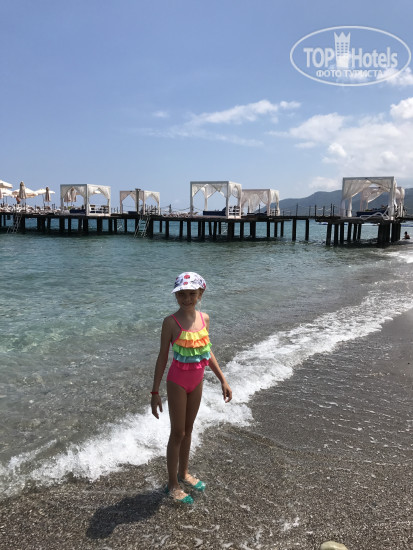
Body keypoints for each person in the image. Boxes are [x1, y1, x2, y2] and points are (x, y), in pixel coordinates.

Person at [151, 272, 232, 503]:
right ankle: (172, 484)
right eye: (182, 294)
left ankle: (184, 473)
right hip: (177, 382)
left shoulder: (205, 318)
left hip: (197, 381)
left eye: (191, 294)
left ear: (200, 294)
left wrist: (222, 379)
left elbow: (207, 351)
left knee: (189, 429)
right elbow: (162, 357)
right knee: (177, 432)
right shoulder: (170, 322)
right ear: (176, 295)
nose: (186, 299)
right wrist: (155, 392)